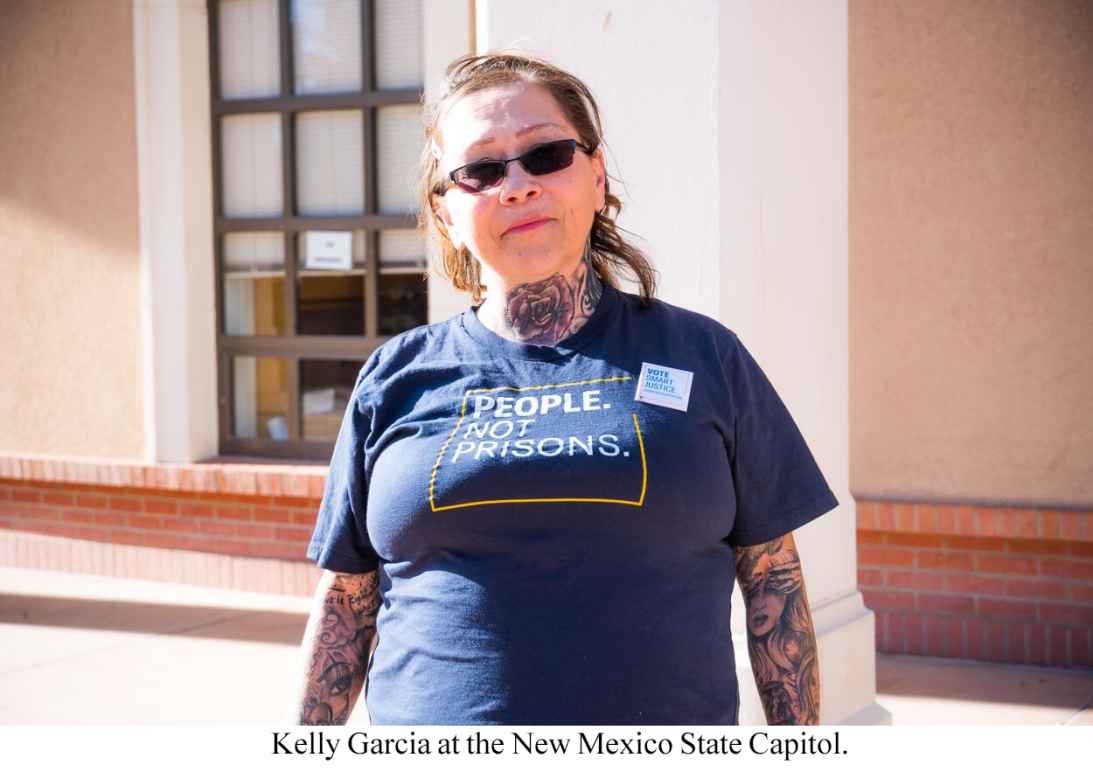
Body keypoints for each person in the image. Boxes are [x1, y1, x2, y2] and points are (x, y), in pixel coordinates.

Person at [293, 51, 838, 726]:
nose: (516, 185)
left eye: (545, 155)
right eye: (480, 170)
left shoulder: (705, 357)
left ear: (597, 175)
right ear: (446, 212)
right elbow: (348, 598)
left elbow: (771, 579)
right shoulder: (395, 375)